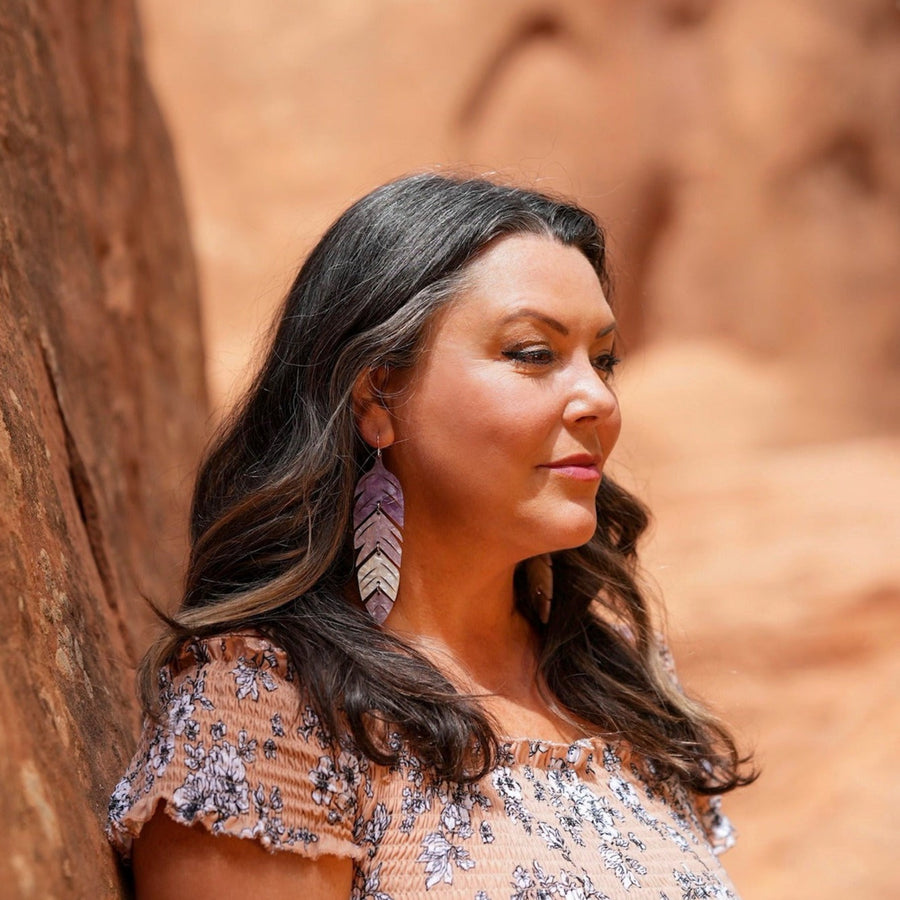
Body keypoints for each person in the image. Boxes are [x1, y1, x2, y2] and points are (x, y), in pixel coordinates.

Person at [107, 172, 754, 899]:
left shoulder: (614, 679)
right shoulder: (270, 710)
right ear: (376, 396)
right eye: (535, 353)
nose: (599, 399)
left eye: (603, 360)